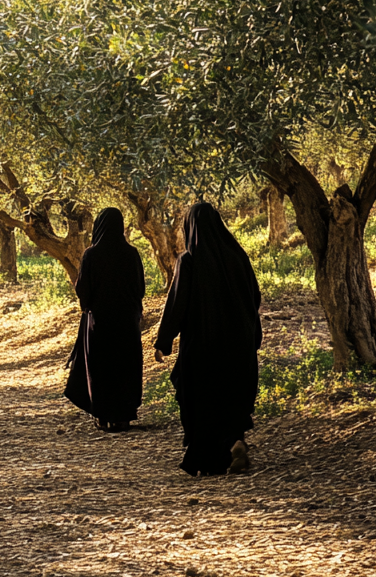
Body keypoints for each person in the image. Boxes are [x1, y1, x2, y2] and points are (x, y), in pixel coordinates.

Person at [154, 202, 263, 476]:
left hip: (203, 347)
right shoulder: (238, 257)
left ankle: (209, 459)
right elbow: (254, 298)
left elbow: (177, 304)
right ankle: (235, 440)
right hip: (239, 345)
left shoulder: (189, 261)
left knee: (203, 400)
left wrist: (163, 341)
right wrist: (252, 335)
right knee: (232, 396)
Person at [65, 207, 146, 432]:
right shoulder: (131, 254)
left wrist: (88, 306)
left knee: (101, 367)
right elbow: (140, 288)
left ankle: (103, 414)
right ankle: (124, 414)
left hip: (99, 322)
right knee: (125, 366)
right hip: (127, 322)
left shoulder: (91, 254)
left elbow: (83, 289)